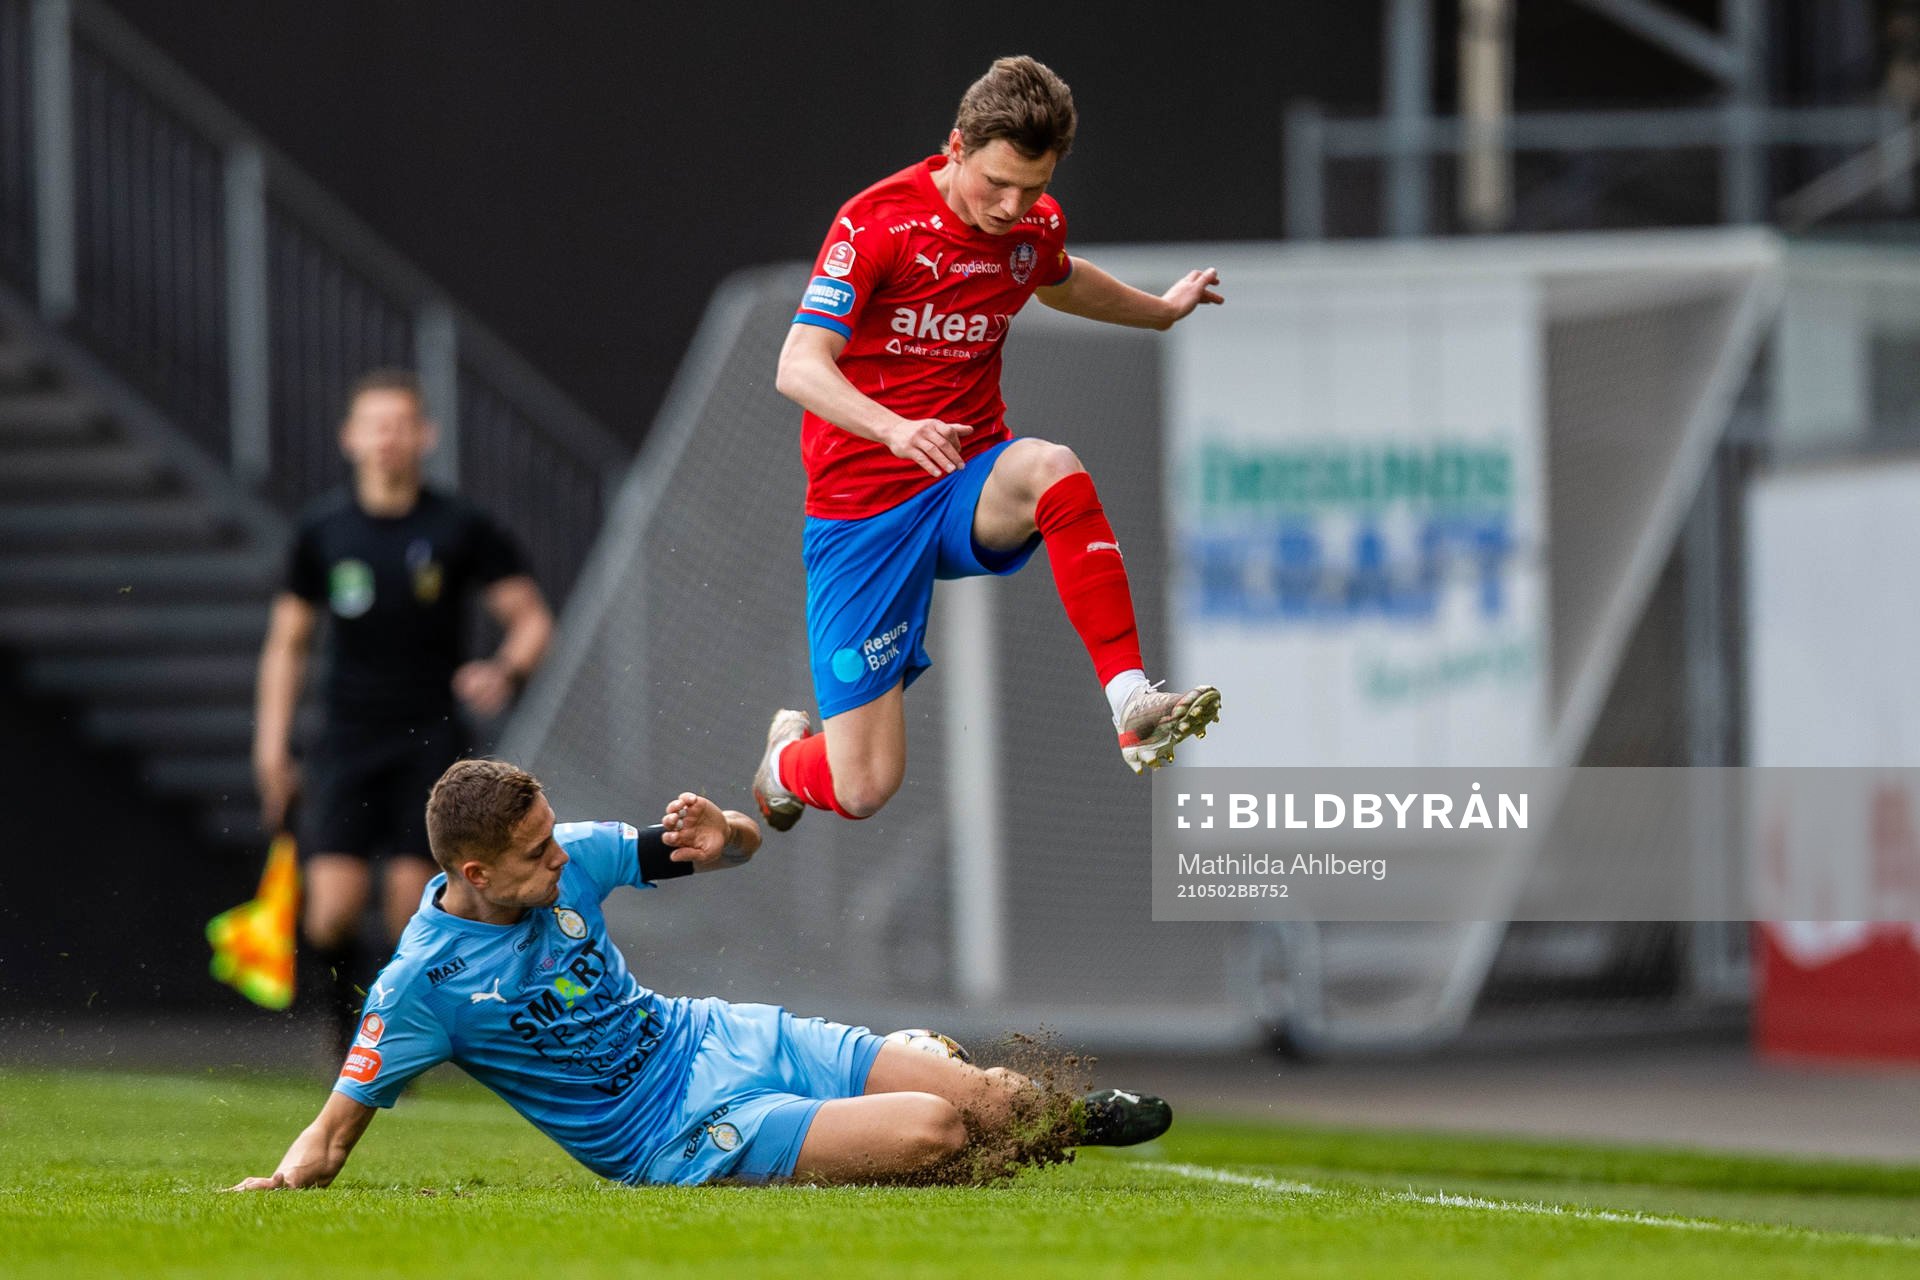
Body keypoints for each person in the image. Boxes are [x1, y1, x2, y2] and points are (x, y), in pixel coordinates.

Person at [226, 760, 1172, 1189]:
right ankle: (915, 1065)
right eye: (534, 852)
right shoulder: (419, 987)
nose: (560, 857)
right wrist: (278, 1182)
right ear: (475, 874)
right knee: (932, 1131)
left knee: (994, 1102)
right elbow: (329, 1139)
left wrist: (733, 834)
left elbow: (739, 849)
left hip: (715, 1034)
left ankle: (1034, 1105)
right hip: (677, 1135)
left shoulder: (581, 856)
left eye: (554, 836)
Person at [752, 55, 1223, 834]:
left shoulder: (1034, 226)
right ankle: (782, 763)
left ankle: (1132, 699)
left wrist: (1161, 312)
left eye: (1032, 188)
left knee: (1051, 468)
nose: (1011, 207)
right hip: (863, 508)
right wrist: (896, 428)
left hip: (965, 476)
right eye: (996, 182)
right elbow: (798, 364)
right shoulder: (877, 223)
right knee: (865, 786)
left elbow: (1059, 275)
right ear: (956, 145)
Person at [252, 370, 555, 1055]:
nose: (388, 438)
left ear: (425, 436)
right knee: (329, 909)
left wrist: (504, 668)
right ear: (350, 438)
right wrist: (271, 746)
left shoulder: (460, 527)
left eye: (401, 424)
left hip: (430, 738)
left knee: (406, 907)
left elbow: (533, 620)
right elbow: (288, 644)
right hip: (345, 735)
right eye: (374, 425)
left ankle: (391, 1042)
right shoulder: (323, 531)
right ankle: (341, 1029)